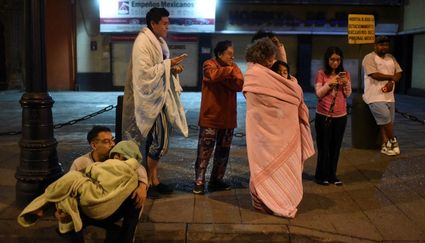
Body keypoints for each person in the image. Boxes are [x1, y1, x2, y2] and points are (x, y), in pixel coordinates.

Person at [18, 140, 147, 243]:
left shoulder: (117, 165)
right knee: (68, 197)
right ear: (94, 145)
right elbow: (67, 189)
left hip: (102, 205)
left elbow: (137, 168)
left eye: (112, 141)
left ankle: (43, 204)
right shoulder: (81, 162)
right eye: (106, 141)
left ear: (120, 155)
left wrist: (143, 186)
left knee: (73, 178)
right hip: (89, 209)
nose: (111, 144)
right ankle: (55, 212)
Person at [243, 38, 315, 218]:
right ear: (268, 58)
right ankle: (278, 199)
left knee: (260, 166)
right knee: (275, 166)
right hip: (280, 132)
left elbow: (282, 80)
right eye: (273, 56)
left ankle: (260, 201)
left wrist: (281, 54)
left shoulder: (253, 73)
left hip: (259, 135)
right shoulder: (264, 75)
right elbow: (294, 91)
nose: (275, 60)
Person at [122, 7, 189, 197]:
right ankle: (151, 179)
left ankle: (151, 179)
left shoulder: (158, 41)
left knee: (154, 139)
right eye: (165, 23)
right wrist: (169, 64)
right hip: (149, 99)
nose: (168, 27)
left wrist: (172, 69)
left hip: (158, 95)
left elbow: (157, 69)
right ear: (153, 24)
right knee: (161, 142)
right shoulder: (143, 42)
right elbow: (143, 74)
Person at [192, 40, 244, 195]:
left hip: (228, 119)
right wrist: (229, 73)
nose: (232, 58)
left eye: (233, 56)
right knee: (204, 151)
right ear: (220, 53)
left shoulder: (233, 67)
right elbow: (212, 76)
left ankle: (216, 180)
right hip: (210, 118)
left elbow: (240, 84)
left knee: (223, 152)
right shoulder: (209, 64)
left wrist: (227, 74)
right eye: (229, 54)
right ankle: (199, 182)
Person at [313, 47, 352, 186]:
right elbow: (318, 93)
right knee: (324, 146)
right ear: (327, 60)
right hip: (324, 115)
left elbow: (348, 94)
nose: (335, 62)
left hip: (340, 115)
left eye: (337, 59)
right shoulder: (321, 74)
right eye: (332, 59)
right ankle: (320, 175)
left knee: (336, 147)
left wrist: (346, 82)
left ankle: (332, 175)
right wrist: (331, 83)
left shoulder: (345, 74)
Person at [362, 36, 402, 156]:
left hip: (389, 96)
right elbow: (374, 75)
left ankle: (385, 145)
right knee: (385, 118)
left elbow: (399, 71)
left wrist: (392, 82)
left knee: (387, 122)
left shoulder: (391, 58)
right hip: (374, 96)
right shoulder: (369, 57)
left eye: (386, 45)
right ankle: (393, 141)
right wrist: (391, 78)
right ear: (375, 45)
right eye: (381, 45)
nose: (384, 47)